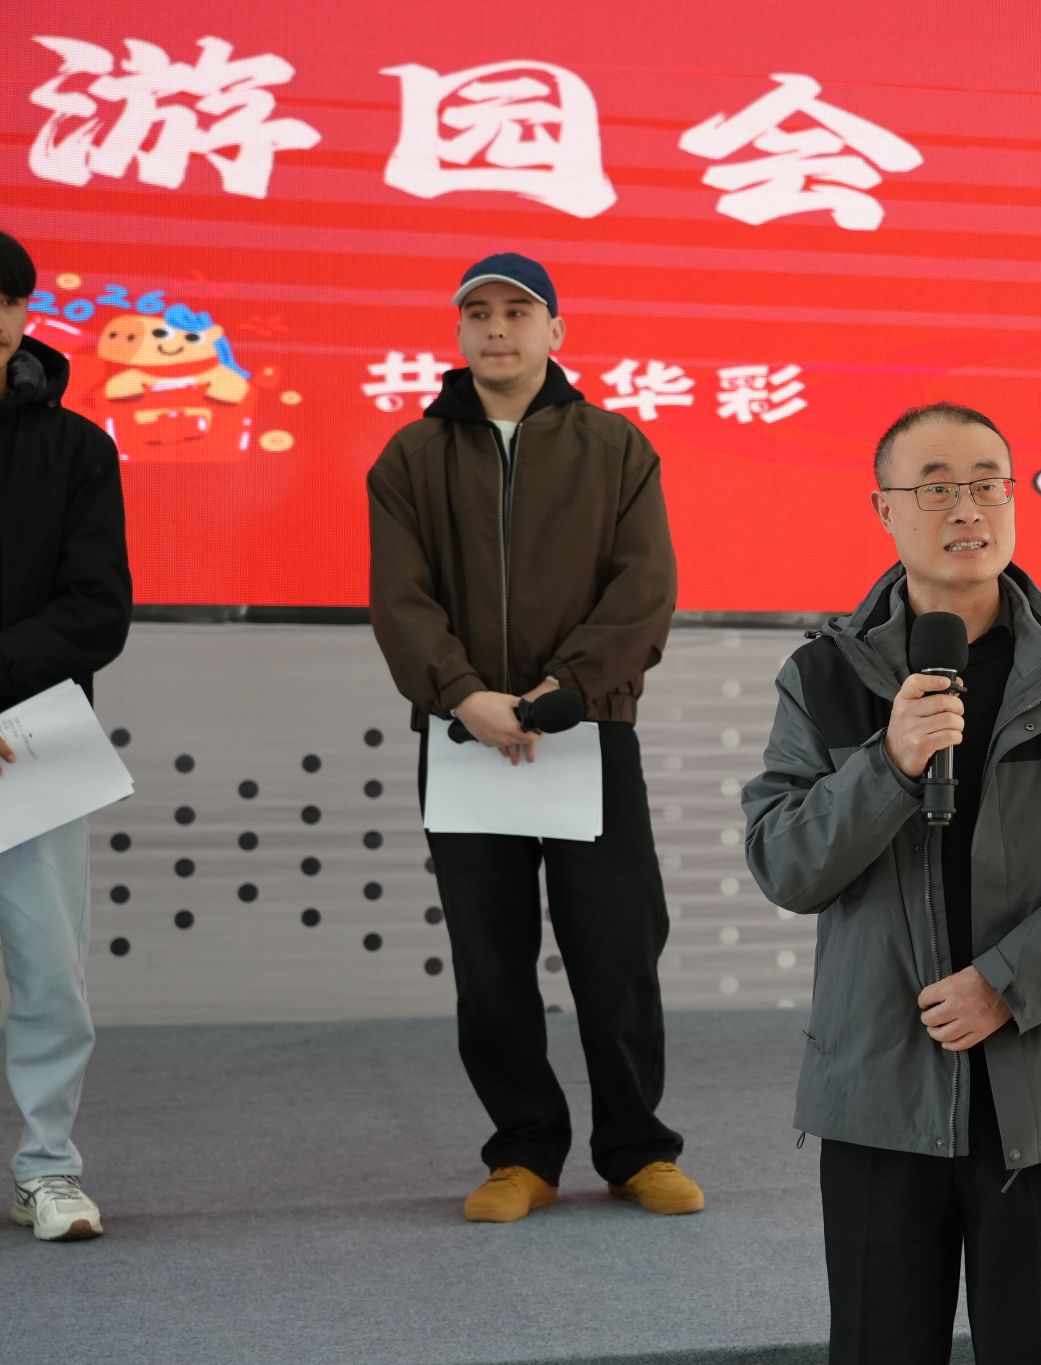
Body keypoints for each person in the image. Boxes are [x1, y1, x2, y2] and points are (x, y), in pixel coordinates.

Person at [742, 402, 1041, 1363]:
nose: (967, 509)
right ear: (885, 508)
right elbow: (785, 861)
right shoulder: (823, 677)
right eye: (937, 487)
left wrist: (1007, 982)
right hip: (882, 1089)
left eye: (989, 484)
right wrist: (889, 765)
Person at [367, 252, 701, 1223]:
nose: (496, 328)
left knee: (617, 948)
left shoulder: (616, 447)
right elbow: (400, 598)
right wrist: (465, 696)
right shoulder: (411, 456)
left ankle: (637, 1148)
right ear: (458, 332)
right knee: (490, 960)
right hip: (463, 739)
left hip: (587, 732)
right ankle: (522, 1152)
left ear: (555, 330)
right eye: (477, 312)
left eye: (517, 311)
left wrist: (565, 692)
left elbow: (644, 588)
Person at [0, 231, 134, 1242]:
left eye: (2, 302)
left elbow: (98, 608)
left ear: (20, 316)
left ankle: (48, 1168)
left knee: (52, 974)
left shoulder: (78, 447)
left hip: (36, 735)